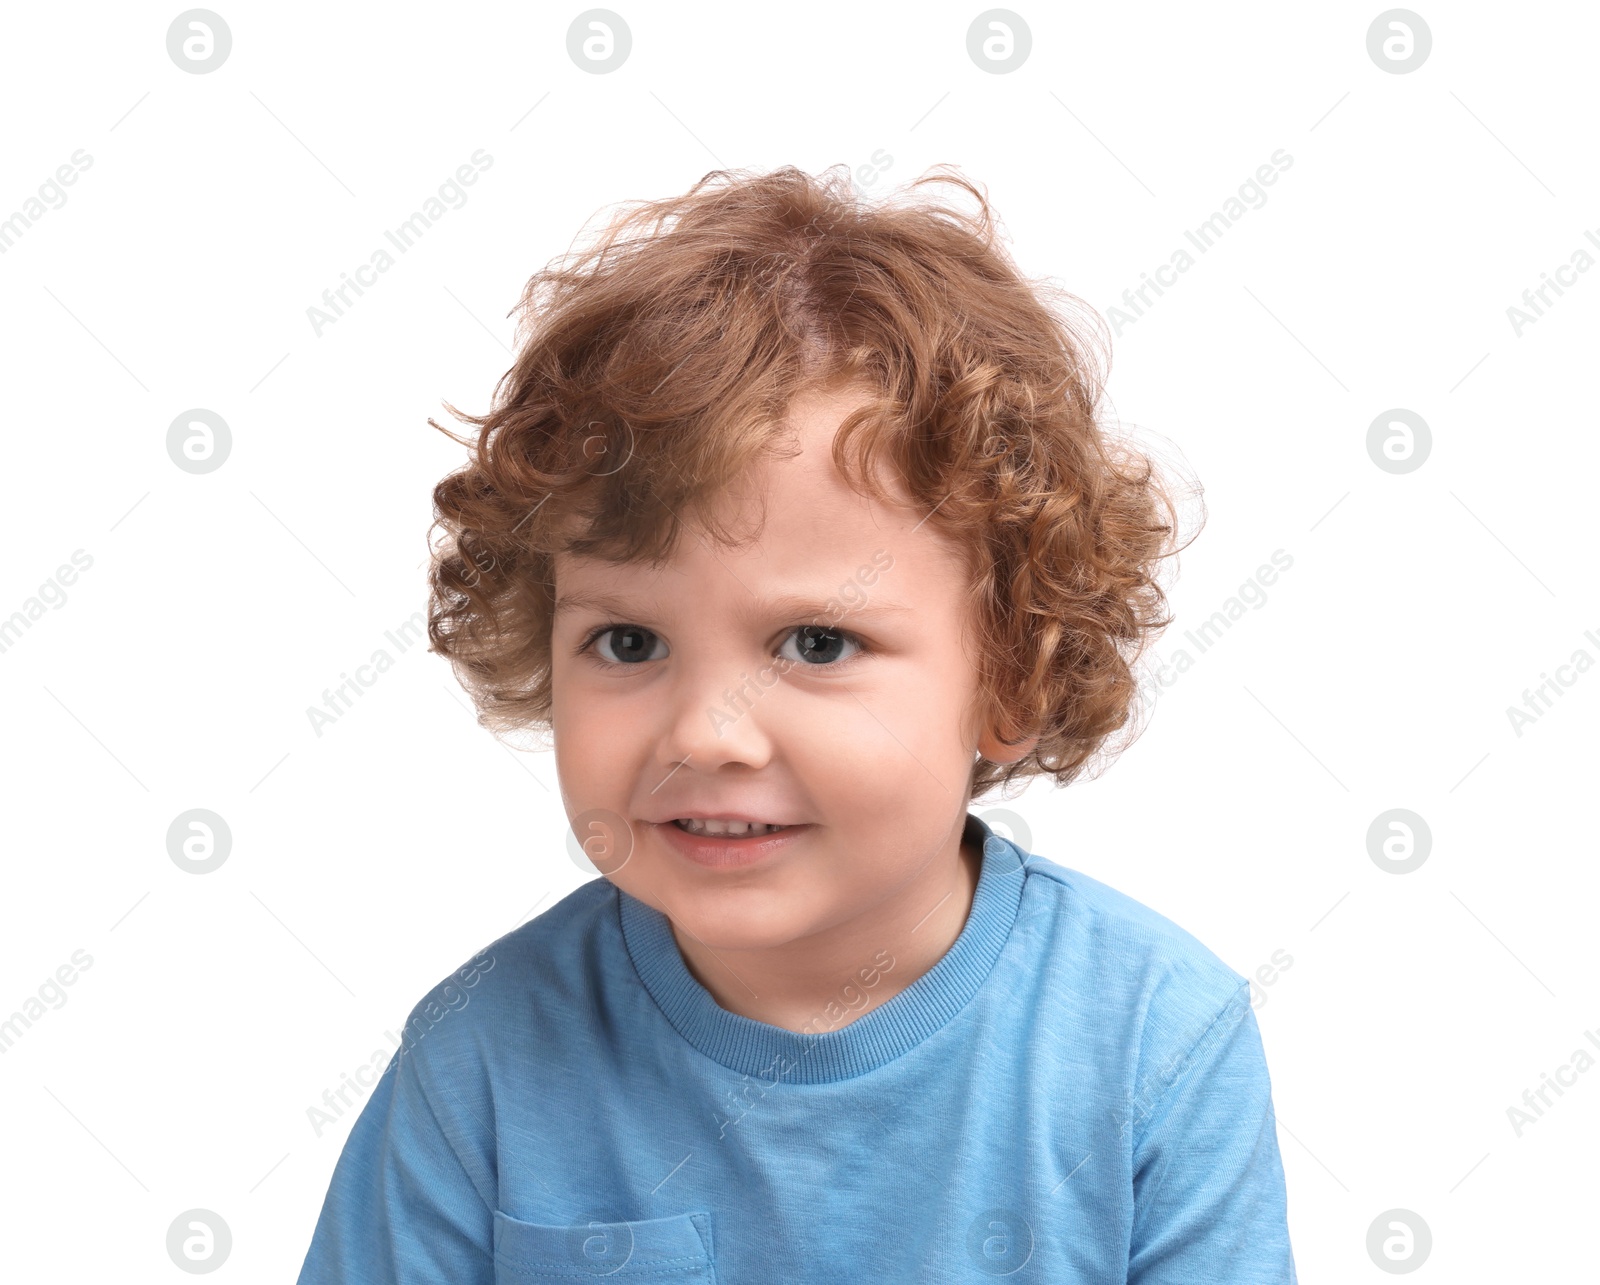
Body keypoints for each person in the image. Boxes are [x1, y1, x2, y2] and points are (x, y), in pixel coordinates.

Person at [295, 163, 1296, 1283]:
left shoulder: (1154, 1040)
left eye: (815, 644)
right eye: (628, 642)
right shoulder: (480, 1061)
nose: (707, 735)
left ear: (1011, 672)